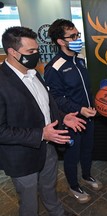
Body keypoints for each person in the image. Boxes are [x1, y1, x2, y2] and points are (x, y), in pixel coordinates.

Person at [0, 26, 86, 216]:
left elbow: (46, 107)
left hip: (48, 148)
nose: (36, 55)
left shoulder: (33, 72)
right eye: (30, 52)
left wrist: (64, 118)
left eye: (37, 50)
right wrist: (41, 134)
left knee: (49, 188)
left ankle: (57, 212)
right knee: (29, 202)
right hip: (22, 156)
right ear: (12, 52)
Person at [44, 19, 101, 204]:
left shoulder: (80, 60)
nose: (78, 39)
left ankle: (86, 176)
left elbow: (85, 89)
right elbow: (56, 98)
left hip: (89, 117)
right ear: (61, 41)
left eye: (78, 35)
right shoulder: (54, 67)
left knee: (87, 150)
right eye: (73, 36)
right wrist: (79, 109)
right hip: (71, 120)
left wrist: (91, 106)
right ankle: (73, 185)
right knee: (72, 155)